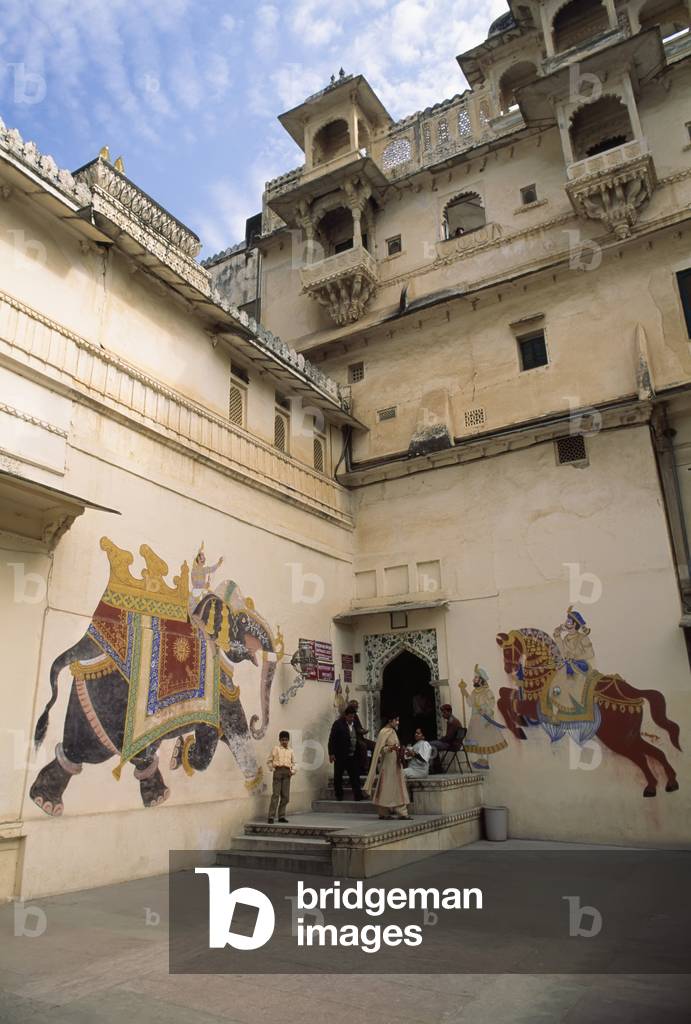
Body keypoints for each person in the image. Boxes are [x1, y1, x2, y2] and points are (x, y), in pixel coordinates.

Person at [363, 714, 412, 820]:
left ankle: (402, 813)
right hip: (387, 765)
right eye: (396, 720)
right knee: (385, 787)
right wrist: (390, 748)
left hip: (396, 764)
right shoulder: (383, 732)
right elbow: (381, 749)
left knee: (399, 787)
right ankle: (383, 812)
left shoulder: (393, 731)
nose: (397, 722)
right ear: (390, 720)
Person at [461, 666, 508, 771]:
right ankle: (481, 760)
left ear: (481, 679)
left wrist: (485, 710)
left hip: (484, 719)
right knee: (477, 740)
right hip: (475, 719)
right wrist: (463, 690)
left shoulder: (487, 691)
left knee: (485, 740)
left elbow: (491, 704)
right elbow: (470, 703)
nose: (473, 680)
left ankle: (485, 761)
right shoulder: (474, 692)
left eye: (476, 678)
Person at [328, 708, 365, 801]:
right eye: (350, 717)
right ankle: (339, 795)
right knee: (338, 776)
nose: (352, 718)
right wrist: (331, 753)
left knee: (355, 776)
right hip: (341, 754)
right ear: (346, 716)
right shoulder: (338, 724)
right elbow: (332, 739)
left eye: (353, 717)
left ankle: (358, 795)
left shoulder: (355, 724)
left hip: (353, 755)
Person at [266, 730, 296, 823]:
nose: (284, 741)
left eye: (286, 740)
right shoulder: (276, 749)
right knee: (276, 794)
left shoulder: (291, 750)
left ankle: (281, 816)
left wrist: (292, 771)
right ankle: (271, 816)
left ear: (288, 740)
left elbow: (294, 762)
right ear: (279, 740)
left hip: (287, 772)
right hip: (278, 771)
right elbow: (269, 761)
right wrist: (273, 769)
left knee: (285, 796)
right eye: (282, 740)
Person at [430, 703, 465, 768]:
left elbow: (448, 738)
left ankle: (437, 767)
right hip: (457, 744)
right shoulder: (455, 720)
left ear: (449, 712)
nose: (443, 714)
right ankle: (437, 767)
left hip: (452, 744)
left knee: (430, 744)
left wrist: (440, 740)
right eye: (442, 712)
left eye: (444, 712)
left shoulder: (452, 721)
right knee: (434, 746)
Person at [345, 699, 375, 773]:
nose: (356, 708)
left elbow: (359, 727)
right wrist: (363, 731)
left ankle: (372, 767)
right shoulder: (346, 716)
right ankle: (364, 768)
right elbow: (355, 729)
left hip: (360, 738)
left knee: (374, 745)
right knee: (363, 746)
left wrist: (363, 730)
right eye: (355, 707)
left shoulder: (355, 716)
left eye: (357, 707)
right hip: (353, 739)